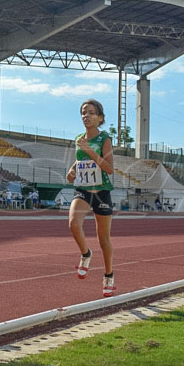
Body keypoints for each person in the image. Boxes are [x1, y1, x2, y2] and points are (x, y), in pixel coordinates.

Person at [67, 99, 116, 296]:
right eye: (83, 112)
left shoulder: (104, 139)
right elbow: (80, 161)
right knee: (73, 223)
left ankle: (108, 275)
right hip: (83, 190)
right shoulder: (79, 138)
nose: (86, 116)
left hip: (101, 191)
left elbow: (109, 169)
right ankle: (86, 253)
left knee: (104, 240)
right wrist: (71, 170)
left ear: (100, 118)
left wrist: (88, 149)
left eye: (91, 113)